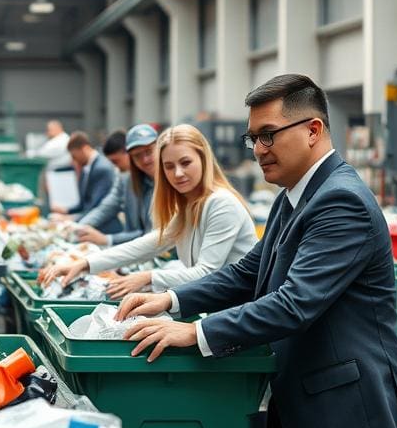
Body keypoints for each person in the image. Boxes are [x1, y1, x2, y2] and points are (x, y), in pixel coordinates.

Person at [115, 75, 397, 428]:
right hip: (301, 418)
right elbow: (249, 273)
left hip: (346, 427)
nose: (258, 148)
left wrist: (196, 333)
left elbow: (295, 303)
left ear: (313, 129)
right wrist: (171, 300)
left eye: (268, 134)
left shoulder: (341, 202)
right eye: (253, 137)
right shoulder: (293, 198)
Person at [41, 124, 256, 300]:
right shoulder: (187, 206)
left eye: (186, 162)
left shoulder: (221, 204)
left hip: (237, 314)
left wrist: (147, 278)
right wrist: (84, 264)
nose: (178, 173)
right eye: (169, 166)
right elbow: (150, 243)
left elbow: (206, 273)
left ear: (204, 159)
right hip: (217, 305)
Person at [77, 124, 158, 247]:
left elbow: (151, 235)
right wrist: (80, 228)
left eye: (149, 152)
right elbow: (107, 207)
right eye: (137, 155)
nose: (145, 160)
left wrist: (107, 239)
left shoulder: (171, 182)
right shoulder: (126, 180)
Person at [49, 132, 121, 233]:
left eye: (74, 155)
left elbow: (96, 206)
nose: (73, 160)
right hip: (90, 225)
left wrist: (70, 218)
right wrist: (66, 211)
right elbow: (84, 203)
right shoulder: (85, 168)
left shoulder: (102, 168)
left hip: (104, 229)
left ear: (84, 148)